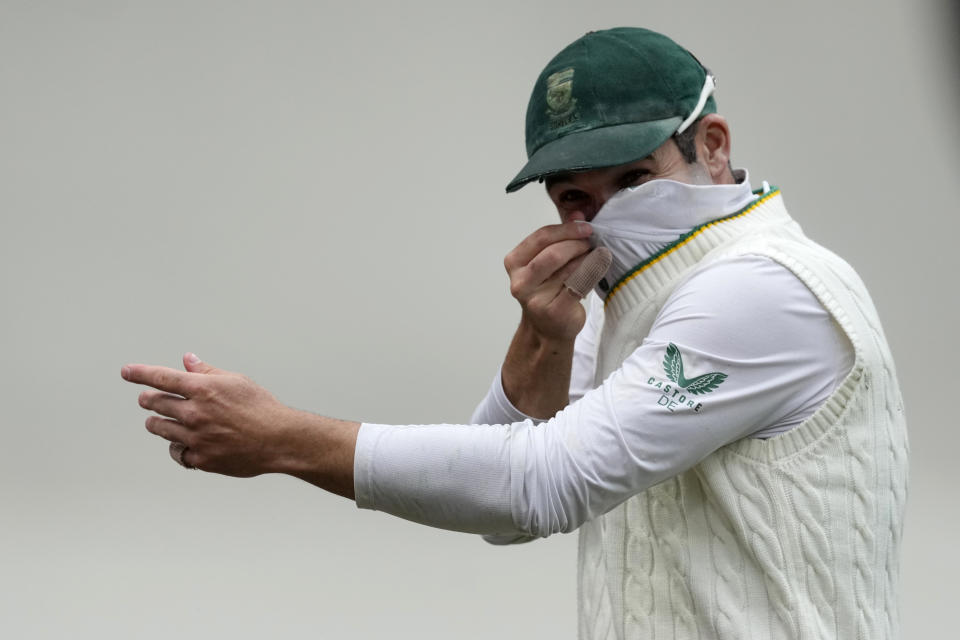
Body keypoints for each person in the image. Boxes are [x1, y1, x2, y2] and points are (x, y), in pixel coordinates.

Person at [121, 27, 908, 639]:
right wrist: (546, 335)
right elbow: (503, 519)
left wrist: (284, 439)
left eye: (634, 178)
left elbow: (540, 484)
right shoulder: (633, 296)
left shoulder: (763, 287)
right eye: (575, 197)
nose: (606, 217)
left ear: (713, 145)